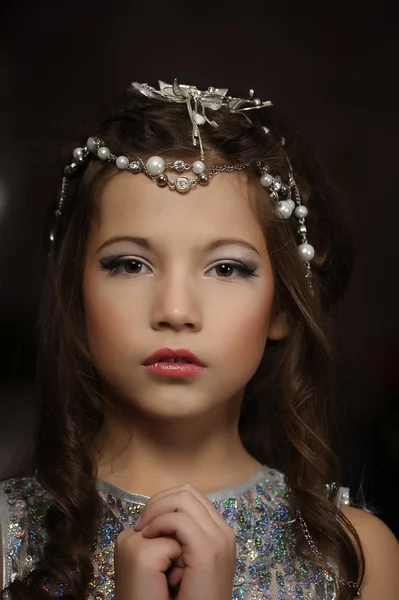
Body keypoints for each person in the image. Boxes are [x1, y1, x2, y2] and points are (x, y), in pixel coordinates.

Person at [0, 79, 398, 600]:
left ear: (281, 306)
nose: (176, 311)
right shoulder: (8, 535)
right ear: (78, 296)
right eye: (130, 264)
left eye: (227, 268)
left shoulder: (354, 557)